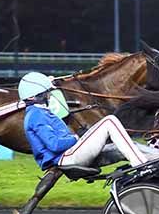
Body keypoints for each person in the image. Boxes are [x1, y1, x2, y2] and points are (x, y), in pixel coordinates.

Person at [19, 72, 148, 171]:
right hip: (65, 158)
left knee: (127, 142)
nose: (48, 95)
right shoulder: (36, 115)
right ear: (31, 97)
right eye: (45, 93)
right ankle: (141, 164)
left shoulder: (39, 112)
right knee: (109, 121)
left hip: (69, 153)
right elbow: (54, 145)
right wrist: (77, 137)